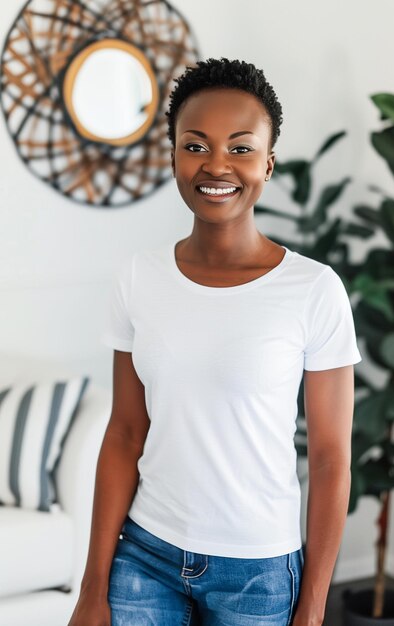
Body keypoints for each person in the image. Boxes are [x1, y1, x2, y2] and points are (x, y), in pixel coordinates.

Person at [67, 57, 362, 626]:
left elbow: (330, 459)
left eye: (241, 147)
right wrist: (91, 589)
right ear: (174, 157)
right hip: (144, 553)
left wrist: (314, 607)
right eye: (195, 146)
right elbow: (126, 432)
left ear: (269, 163)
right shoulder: (137, 277)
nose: (216, 165)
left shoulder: (314, 289)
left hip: (257, 571)